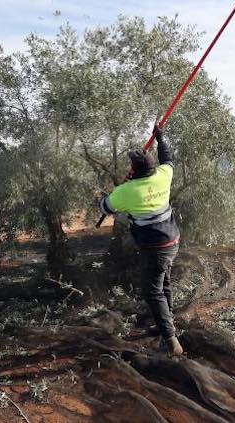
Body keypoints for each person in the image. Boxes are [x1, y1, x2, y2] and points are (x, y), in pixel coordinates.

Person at [100, 124, 183, 356]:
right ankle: (166, 322)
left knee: (152, 291)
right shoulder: (163, 176)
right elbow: (168, 158)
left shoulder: (127, 191)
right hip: (172, 241)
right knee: (163, 282)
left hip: (154, 247)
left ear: (134, 169)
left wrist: (108, 195)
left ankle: (171, 340)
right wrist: (161, 138)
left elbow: (106, 208)